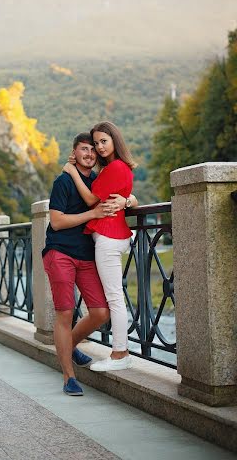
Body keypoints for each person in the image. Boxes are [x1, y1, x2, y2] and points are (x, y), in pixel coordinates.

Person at [43, 132, 137, 395]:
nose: (90, 153)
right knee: (65, 312)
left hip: (86, 255)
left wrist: (127, 201)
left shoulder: (98, 178)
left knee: (100, 312)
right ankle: (68, 376)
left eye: (94, 149)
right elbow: (57, 222)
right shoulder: (63, 181)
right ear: (74, 152)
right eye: (85, 149)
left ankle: (66, 347)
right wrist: (93, 213)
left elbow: (130, 195)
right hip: (60, 252)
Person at [63, 121, 137, 371]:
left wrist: (71, 170)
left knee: (115, 298)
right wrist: (129, 200)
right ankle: (119, 351)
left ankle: (120, 353)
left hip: (108, 238)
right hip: (111, 235)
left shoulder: (115, 167)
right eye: (95, 143)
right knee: (114, 297)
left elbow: (92, 199)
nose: (99, 147)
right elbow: (124, 195)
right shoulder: (116, 168)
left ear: (115, 139)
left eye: (103, 141)